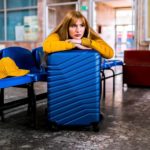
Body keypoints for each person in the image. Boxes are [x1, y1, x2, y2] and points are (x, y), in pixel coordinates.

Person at [43, 10, 114, 59]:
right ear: (66, 27)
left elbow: (110, 53)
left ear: (85, 27)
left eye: (82, 25)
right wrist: (73, 44)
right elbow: (47, 47)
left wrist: (82, 41)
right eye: (73, 26)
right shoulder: (58, 35)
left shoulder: (90, 35)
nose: (78, 30)